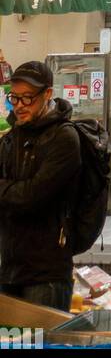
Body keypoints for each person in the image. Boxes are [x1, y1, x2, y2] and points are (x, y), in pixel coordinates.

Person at [0, 61, 82, 310]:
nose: (20, 106)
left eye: (28, 98)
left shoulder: (64, 138)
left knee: (41, 343)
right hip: (10, 269)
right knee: (12, 344)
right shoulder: (12, 136)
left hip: (47, 276)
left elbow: (32, 197)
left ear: (47, 94)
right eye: (14, 98)